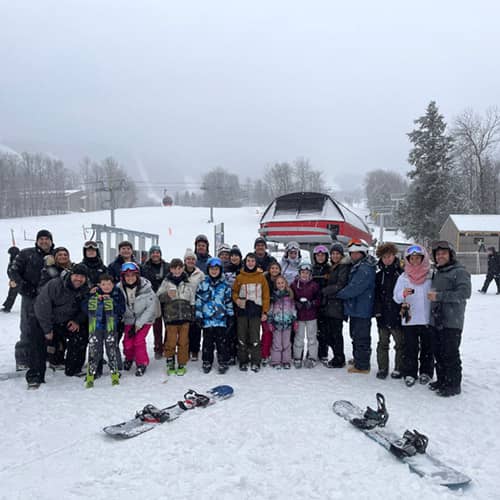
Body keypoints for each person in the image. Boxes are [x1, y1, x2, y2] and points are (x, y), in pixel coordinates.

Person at [29, 264, 89, 387]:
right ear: (71, 275)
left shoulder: (87, 288)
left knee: (82, 333)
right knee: (38, 341)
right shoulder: (55, 284)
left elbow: (87, 307)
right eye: (76, 275)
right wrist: (47, 329)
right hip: (45, 320)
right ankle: (35, 375)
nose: (79, 279)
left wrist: (77, 320)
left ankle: (73, 368)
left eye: (82, 277)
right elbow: (42, 307)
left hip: (67, 321)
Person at [428, 241, 471, 397]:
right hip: (437, 320)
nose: (440, 256)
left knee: (450, 353)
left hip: (452, 321)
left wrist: (439, 296)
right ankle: (442, 380)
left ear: (451, 254)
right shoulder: (439, 272)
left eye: (443, 253)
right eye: (438, 254)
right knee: (438, 352)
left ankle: (453, 385)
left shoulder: (459, 271)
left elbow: (464, 293)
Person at [8, 229, 55, 370]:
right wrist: (24, 287)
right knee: (28, 328)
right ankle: (23, 359)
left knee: (49, 327)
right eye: (41, 239)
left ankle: (48, 356)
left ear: (51, 241)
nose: (44, 241)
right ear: (37, 241)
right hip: (30, 297)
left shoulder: (55, 254)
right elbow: (12, 271)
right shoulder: (26, 254)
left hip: (50, 299)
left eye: (47, 239)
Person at [393, 245, 433, 387]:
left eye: (418, 258)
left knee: (427, 348)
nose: (415, 261)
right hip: (409, 319)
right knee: (410, 348)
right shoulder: (404, 277)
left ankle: (426, 372)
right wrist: (402, 294)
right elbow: (396, 297)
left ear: (423, 259)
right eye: (412, 258)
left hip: (427, 319)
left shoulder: (430, 275)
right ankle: (409, 373)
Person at [336, 239, 376, 374]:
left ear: (363, 253)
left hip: (361, 308)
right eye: (351, 253)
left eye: (356, 253)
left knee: (361, 336)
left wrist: (339, 294)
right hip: (356, 308)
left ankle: (363, 365)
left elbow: (355, 288)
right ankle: (358, 358)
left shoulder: (365, 268)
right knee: (355, 334)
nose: (353, 256)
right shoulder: (359, 265)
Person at [83, 273, 126, 388]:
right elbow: (84, 307)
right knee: (95, 348)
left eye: (109, 284)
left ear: (113, 284)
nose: (106, 287)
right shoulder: (94, 293)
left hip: (111, 326)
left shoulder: (117, 292)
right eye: (103, 284)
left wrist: (112, 302)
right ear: (99, 285)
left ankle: (117, 369)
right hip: (96, 326)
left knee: (112, 346)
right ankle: (94, 370)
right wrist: (92, 298)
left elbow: (122, 309)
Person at [158, 258, 197, 375]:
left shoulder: (188, 282)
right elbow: (158, 296)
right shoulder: (166, 282)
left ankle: (182, 362)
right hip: (171, 317)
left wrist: (193, 312)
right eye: (174, 268)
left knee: (183, 341)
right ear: (170, 269)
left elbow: (192, 298)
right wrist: (167, 295)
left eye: (179, 268)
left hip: (185, 317)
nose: (177, 270)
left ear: (183, 268)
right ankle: (170, 360)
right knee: (171, 341)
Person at [232, 252, 270, 372]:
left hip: (255, 311)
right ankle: (243, 360)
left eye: (253, 261)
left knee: (254, 338)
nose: (250, 263)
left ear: (256, 263)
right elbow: (234, 292)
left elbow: (266, 296)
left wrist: (265, 311)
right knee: (242, 337)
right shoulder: (240, 277)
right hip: (242, 311)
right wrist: (237, 300)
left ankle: (255, 360)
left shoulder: (261, 277)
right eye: (248, 261)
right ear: (245, 262)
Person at [118, 262, 158, 376]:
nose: (130, 278)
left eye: (133, 275)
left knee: (138, 341)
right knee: (127, 343)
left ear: (137, 276)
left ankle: (142, 363)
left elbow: (151, 308)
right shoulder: (119, 288)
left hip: (144, 319)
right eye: (127, 276)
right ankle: (129, 358)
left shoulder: (147, 289)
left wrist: (139, 324)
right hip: (129, 320)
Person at [195, 257, 234, 374]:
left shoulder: (225, 285)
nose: (214, 271)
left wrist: (230, 315)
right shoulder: (203, 284)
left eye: (216, 269)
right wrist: (198, 316)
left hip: (221, 320)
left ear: (220, 270)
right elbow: (199, 301)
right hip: (207, 320)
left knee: (222, 343)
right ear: (208, 270)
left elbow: (228, 301)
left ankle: (223, 361)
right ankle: (207, 361)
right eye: (212, 269)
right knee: (207, 343)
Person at [39, 246, 74, 369]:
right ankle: (53, 359)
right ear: (55, 257)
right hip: (53, 307)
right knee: (53, 338)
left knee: (62, 339)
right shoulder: (49, 270)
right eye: (60, 255)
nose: (63, 257)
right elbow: (43, 289)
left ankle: (58, 358)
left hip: (67, 308)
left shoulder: (72, 269)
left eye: (65, 254)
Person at [374, 243, 404, 380]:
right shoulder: (379, 275)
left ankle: (399, 368)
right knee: (382, 343)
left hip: (397, 314)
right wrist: (378, 311)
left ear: (394, 256)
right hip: (383, 314)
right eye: (384, 257)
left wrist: (402, 311)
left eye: (389, 256)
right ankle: (383, 367)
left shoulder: (401, 274)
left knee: (400, 344)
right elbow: (376, 295)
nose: (387, 259)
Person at [321, 243, 351, 368]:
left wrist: (325, 290)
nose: (335, 256)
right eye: (333, 253)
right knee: (330, 333)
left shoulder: (343, 267)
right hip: (331, 305)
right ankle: (337, 356)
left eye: (337, 253)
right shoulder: (333, 267)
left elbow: (341, 285)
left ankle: (339, 359)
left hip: (337, 306)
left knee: (336, 334)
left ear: (341, 255)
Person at [141, 245, 170, 360]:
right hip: (152, 298)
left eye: (157, 252)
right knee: (157, 325)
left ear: (160, 254)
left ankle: (168, 346)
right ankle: (158, 348)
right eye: (153, 252)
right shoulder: (145, 267)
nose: (155, 255)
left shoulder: (167, 266)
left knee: (169, 324)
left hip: (166, 298)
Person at [291, 262, 320, 368]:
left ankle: (312, 357)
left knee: (312, 337)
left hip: (311, 316)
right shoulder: (294, 284)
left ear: (310, 274)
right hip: (299, 316)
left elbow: (319, 299)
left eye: (307, 273)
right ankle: (297, 357)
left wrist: (311, 303)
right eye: (303, 272)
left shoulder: (314, 285)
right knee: (299, 337)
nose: (304, 275)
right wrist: (296, 303)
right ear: (299, 273)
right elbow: (290, 298)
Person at [267, 275, 296, 369]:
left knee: (286, 343)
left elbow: (293, 309)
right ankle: (276, 361)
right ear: (276, 285)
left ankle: (286, 361)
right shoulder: (274, 296)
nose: (280, 285)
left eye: (282, 283)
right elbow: (270, 310)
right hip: (276, 324)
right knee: (277, 344)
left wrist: (294, 320)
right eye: (278, 283)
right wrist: (270, 322)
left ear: (286, 283)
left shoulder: (290, 295)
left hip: (287, 324)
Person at [311, 244, 332, 364]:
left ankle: (323, 352)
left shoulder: (329, 269)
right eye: (318, 255)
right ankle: (313, 351)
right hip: (314, 303)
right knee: (313, 330)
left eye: (322, 255)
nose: (320, 257)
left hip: (326, 303)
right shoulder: (312, 268)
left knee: (324, 330)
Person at [183, 248, 205, 361]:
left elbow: (204, 288)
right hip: (184, 304)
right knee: (185, 328)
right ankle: (185, 349)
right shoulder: (180, 272)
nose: (190, 261)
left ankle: (195, 350)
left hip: (196, 303)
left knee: (196, 328)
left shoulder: (200, 274)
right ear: (185, 260)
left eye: (192, 259)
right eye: (188, 259)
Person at [224, 245, 243, 364]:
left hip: (241, 302)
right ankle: (230, 353)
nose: (234, 258)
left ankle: (239, 353)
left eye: (237, 255)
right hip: (228, 302)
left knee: (240, 330)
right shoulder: (225, 269)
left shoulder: (244, 269)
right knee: (229, 329)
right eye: (232, 255)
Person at [261, 260, 282, 365]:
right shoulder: (264, 279)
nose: (274, 270)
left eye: (276, 268)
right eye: (272, 268)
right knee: (267, 333)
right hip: (266, 310)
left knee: (277, 334)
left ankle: (275, 354)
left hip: (278, 311)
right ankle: (264, 354)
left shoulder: (281, 280)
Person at [2, 246, 20, 313]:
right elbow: (10, 271)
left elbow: (16, 272)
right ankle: (7, 307)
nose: (10, 255)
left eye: (10, 254)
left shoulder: (17, 261)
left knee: (13, 294)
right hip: (14, 280)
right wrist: (11, 279)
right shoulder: (12, 259)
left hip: (18, 281)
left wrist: (15, 280)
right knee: (11, 294)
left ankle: (7, 307)